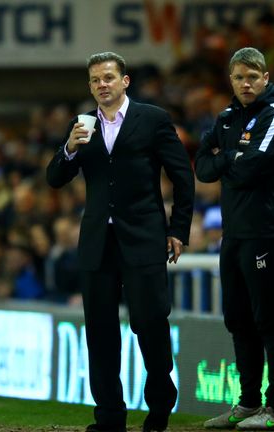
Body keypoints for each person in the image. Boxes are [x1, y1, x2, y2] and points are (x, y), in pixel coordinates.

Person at [46, 51, 194, 432]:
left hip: (144, 239)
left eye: (109, 77)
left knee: (151, 325)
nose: (102, 85)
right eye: (95, 80)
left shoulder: (153, 119)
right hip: (98, 242)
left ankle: (160, 410)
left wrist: (178, 229)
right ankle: (109, 416)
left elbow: (182, 176)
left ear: (125, 81)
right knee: (100, 331)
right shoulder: (81, 125)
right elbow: (54, 178)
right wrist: (70, 149)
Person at [195, 47, 274, 431]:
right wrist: (230, 158)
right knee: (239, 320)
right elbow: (203, 168)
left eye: (253, 76)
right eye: (239, 77)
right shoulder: (225, 118)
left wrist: (231, 159)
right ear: (232, 80)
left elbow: (255, 166)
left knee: (269, 319)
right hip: (235, 233)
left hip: (267, 231)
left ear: (266, 78)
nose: (246, 83)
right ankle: (249, 402)